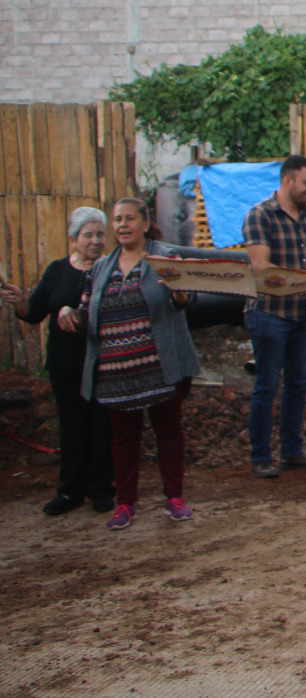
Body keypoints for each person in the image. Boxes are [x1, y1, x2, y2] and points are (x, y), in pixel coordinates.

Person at [74, 198, 202, 531]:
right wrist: (68, 314)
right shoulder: (101, 267)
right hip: (117, 370)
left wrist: (179, 294)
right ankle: (126, 504)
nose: (122, 225)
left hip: (160, 364)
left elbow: (188, 298)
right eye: (117, 219)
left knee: (169, 432)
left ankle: (174, 498)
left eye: (130, 218)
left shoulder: (164, 257)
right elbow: (86, 309)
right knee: (122, 438)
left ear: (145, 223)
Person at [0, 208, 115, 516]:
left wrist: (75, 311)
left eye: (100, 234)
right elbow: (34, 312)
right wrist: (21, 302)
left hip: (101, 361)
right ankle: (70, 491)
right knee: (72, 426)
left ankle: (102, 489)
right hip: (65, 363)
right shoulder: (56, 270)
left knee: (101, 425)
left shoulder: (110, 270)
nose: (95, 241)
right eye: (88, 235)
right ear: (73, 240)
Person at [242, 154, 306, 479]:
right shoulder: (259, 216)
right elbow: (261, 267)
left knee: (298, 385)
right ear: (287, 181)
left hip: (302, 313)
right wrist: (299, 282)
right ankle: (261, 456)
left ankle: (292, 452)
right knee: (266, 385)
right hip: (269, 313)